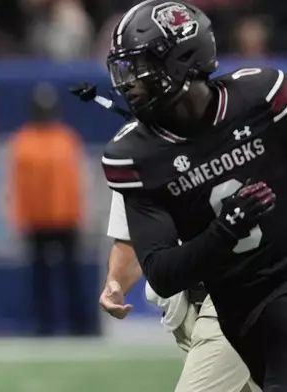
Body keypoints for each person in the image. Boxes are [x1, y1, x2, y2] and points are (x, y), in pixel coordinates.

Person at [101, 0, 287, 389]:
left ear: (183, 60)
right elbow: (162, 271)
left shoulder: (261, 96)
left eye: (140, 67)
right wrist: (228, 228)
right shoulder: (136, 154)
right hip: (240, 305)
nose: (128, 82)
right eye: (125, 69)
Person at [100, 191, 260, 392]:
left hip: (238, 296)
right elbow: (131, 239)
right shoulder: (129, 164)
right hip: (184, 310)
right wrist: (115, 283)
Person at [6, 82, 89, 335]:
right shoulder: (23, 141)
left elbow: (75, 183)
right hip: (37, 220)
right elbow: (18, 185)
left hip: (65, 218)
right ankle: (44, 326)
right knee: (40, 278)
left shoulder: (67, 138)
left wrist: (78, 215)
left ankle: (80, 326)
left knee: (72, 275)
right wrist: (21, 218)